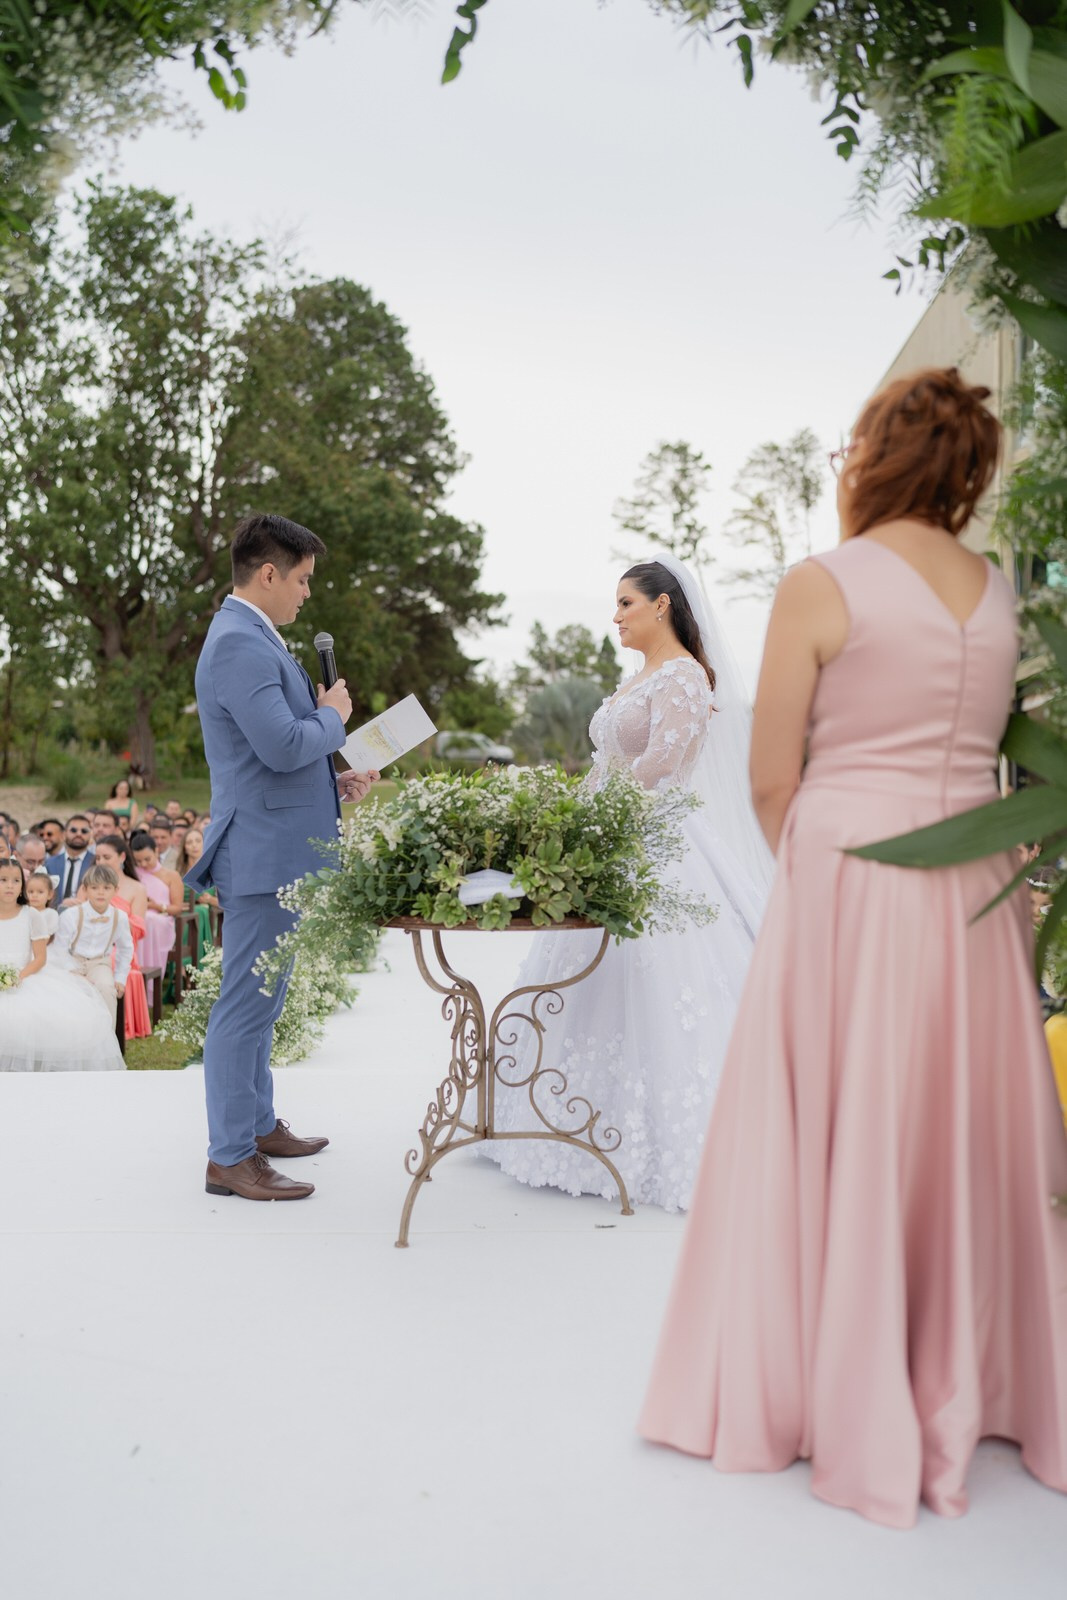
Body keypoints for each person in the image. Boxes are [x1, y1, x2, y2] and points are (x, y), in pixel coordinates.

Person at [638, 368, 1067, 1527]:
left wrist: (821, 879)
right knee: (951, 1117)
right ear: (965, 469)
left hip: (848, 871)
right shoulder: (996, 595)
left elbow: (769, 775)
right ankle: (965, 1368)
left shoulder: (819, 582)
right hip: (975, 877)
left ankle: (838, 1372)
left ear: (873, 456)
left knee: (845, 1111)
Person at [482, 555, 774, 1212]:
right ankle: (557, 1120)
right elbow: (609, 763)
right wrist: (564, 816)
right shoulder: (638, 679)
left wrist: (598, 817)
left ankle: (659, 1140)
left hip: (658, 845)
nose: (615, 617)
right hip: (608, 836)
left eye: (625, 603)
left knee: (663, 981)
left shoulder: (684, 677)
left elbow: (661, 764)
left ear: (662, 604)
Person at [186, 512, 378, 1202]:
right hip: (262, 854)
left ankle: (258, 1125)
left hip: (278, 847)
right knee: (245, 1006)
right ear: (268, 573)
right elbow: (283, 744)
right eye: (302, 579)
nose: (306, 592)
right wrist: (333, 716)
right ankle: (230, 1157)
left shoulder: (254, 635)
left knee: (264, 1003)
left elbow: (274, 758)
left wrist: (334, 782)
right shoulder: (240, 643)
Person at [0, 857, 125, 1072]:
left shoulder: (31, 915)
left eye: (16, 881)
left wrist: (17, 977)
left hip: (24, 976)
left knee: (34, 1017)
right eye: (3, 880)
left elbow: (40, 958)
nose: (10, 886)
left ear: (22, 885)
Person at [52, 864, 134, 1028]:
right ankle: (72, 1033)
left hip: (100, 963)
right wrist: (71, 970)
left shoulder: (120, 917)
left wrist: (120, 978)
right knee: (71, 991)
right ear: (85, 889)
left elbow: (126, 949)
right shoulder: (72, 915)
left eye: (106, 888)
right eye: (95, 888)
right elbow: (59, 948)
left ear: (116, 890)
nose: (100, 892)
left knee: (107, 988)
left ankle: (106, 1035)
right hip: (72, 962)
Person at [93, 834, 152, 1039]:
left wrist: (112, 920)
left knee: (107, 958)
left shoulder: (137, 888)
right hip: (90, 943)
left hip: (122, 947)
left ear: (122, 857)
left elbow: (138, 928)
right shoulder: (89, 885)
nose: (101, 862)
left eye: (106, 857)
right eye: (97, 858)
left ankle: (109, 1021)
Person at [129, 830, 181, 980]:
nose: (143, 864)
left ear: (156, 851)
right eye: (138, 861)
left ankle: (149, 980)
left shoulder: (171, 875)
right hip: (135, 917)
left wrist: (156, 906)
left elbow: (177, 908)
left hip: (161, 919)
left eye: (147, 859)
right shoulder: (133, 874)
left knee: (149, 919)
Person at [46, 815, 96, 906]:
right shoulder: (50, 863)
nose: (79, 834)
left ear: (90, 835)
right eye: (73, 830)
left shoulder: (96, 863)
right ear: (64, 834)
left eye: (84, 831)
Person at [25, 870, 59, 940]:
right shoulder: (23, 911)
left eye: (40, 892)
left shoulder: (51, 914)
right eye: (31, 892)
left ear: (50, 894)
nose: (34, 895)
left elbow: (46, 939)